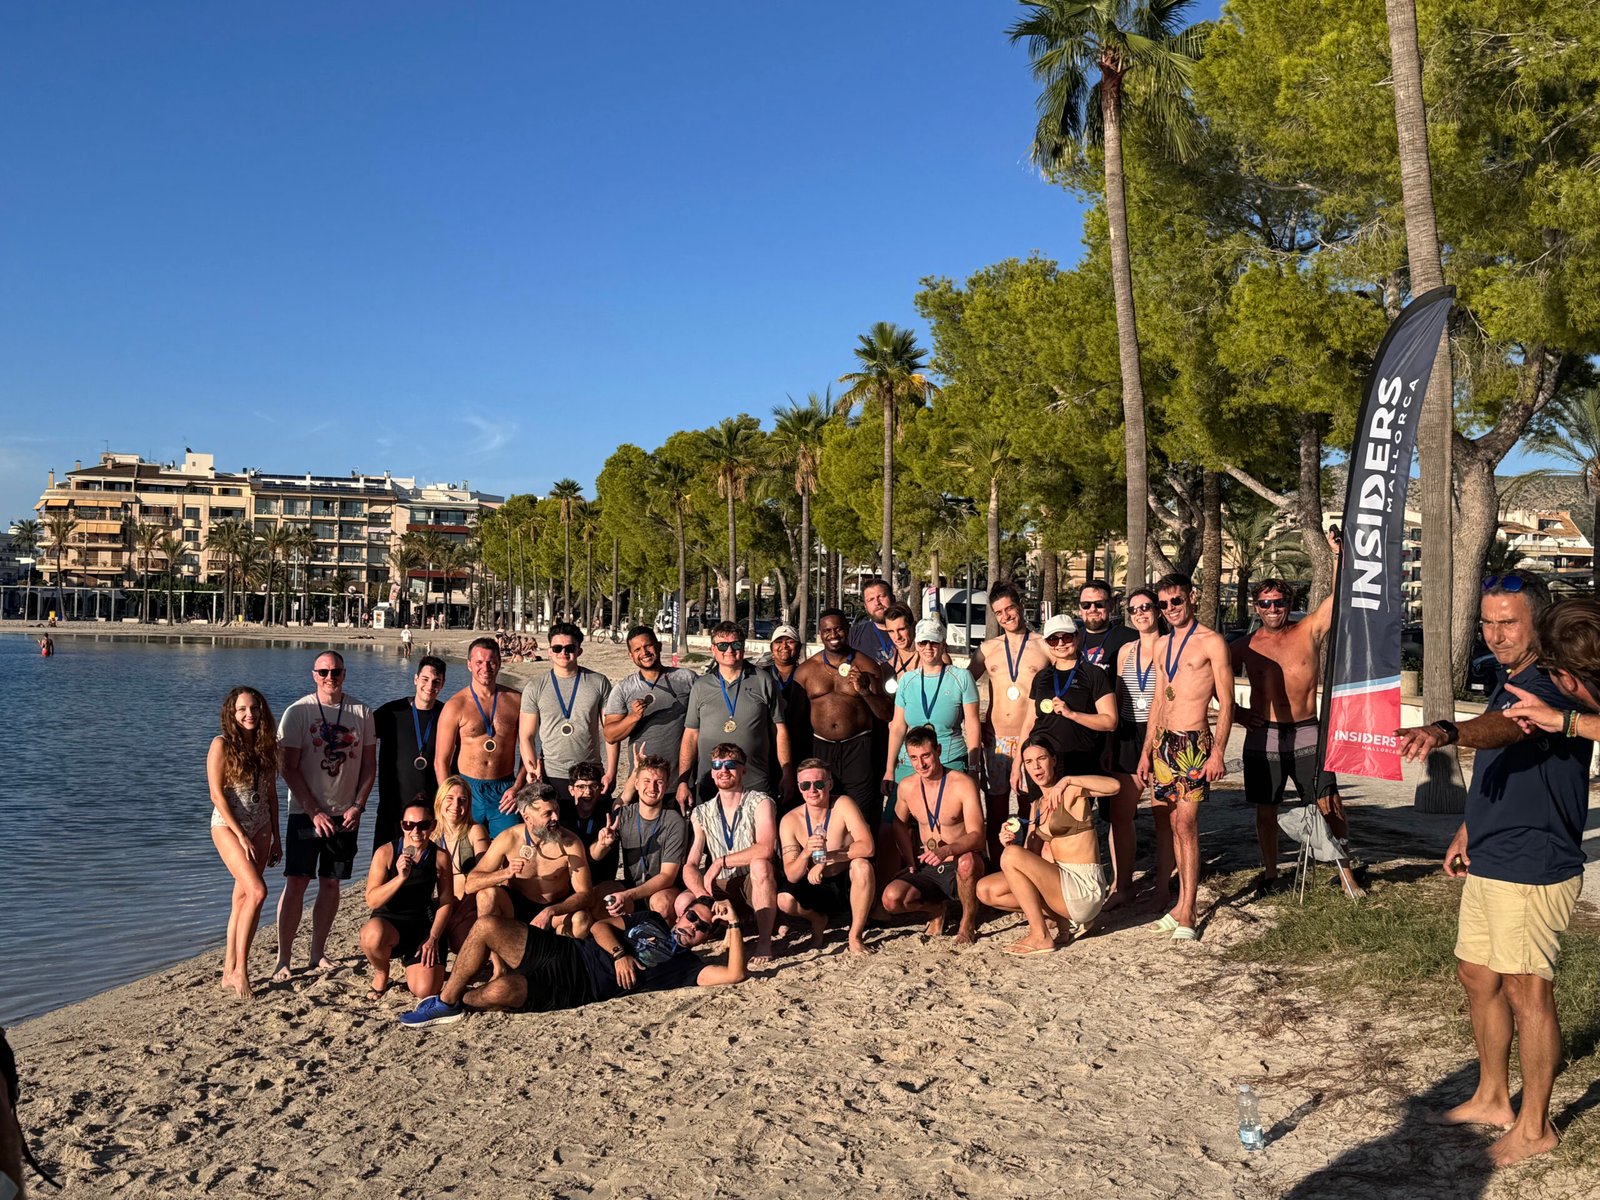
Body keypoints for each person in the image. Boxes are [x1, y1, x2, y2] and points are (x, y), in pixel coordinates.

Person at [1397, 573, 1590, 1167]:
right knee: (1477, 974)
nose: (1496, 633)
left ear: (1538, 621)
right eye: (1488, 622)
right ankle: (1490, 1096)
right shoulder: (1511, 679)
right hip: (1493, 851)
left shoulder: (1557, 681)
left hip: (1534, 862)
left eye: (1508, 621)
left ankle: (1535, 1126)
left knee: (1527, 990)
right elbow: (1505, 763)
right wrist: (1468, 828)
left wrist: (1446, 730)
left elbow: (1510, 729)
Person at [397, 895, 747, 1027]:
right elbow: (599, 926)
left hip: (577, 988)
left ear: (707, 936)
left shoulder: (686, 966)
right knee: (488, 925)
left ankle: (461, 1002)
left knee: (502, 989)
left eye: (702, 926)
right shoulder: (651, 919)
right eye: (691, 916)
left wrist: (732, 922)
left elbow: (735, 974)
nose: (693, 926)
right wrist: (620, 953)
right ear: (681, 914)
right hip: (567, 953)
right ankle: (444, 1002)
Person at [1230, 559, 1354, 896]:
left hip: (1306, 730)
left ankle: (1347, 874)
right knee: (1266, 809)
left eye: (1279, 602)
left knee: (1329, 802)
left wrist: (1336, 555)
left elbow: (1339, 594)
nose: (1273, 609)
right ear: (1256, 607)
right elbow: (1209, 675)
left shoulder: (1308, 630)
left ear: (1289, 605)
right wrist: (1236, 713)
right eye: (1265, 603)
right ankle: (1271, 873)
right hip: (1263, 734)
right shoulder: (1246, 645)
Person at [1137, 573, 1233, 942]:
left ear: (1191, 597)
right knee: (1173, 823)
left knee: (1187, 825)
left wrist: (1218, 751)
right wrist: (1147, 751)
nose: (1170, 609)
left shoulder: (1212, 642)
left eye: (1176, 601)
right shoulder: (1161, 645)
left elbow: (1227, 703)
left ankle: (1190, 910)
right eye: (1163, 604)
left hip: (1194, 743)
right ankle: (1179, 904)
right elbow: (1160, 699)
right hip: (1163, 743)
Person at [274, 651, 377, 982]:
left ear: (344, 674)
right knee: (297, 882)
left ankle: (318, 952)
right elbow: (287, 768)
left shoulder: (361, 712)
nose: (330, 677)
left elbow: (369, 766)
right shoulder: (297, 713)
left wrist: (358, 806)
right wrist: (313, 810)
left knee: (331, 883)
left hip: (344, 813)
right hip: (305, 813)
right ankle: (283, 958)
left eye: (335, 671)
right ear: (314, 675)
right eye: (324, 672)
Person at [997, 737, 1120, 956]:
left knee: (1011, 856)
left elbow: (1114, 787)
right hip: (1060, 883)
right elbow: (1029, 857)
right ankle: (1061, 920)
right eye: (1029, 762)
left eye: (1041, 759)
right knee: (987, 890)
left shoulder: (1070, 790)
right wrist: (1010, 841)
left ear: (1053, 760)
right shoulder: (1037, 805)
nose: (1036, 767)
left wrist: (1069, 780)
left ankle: (1041, 936)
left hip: (1083, 887)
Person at [967, 582, 1052, 863]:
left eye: (1009, 608)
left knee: (1031, 807)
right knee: (997, 809)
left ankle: (1029, 864)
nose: (1005, 616)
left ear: (1020, 605)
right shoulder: (987, 649)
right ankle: (995, 867)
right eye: (998, 612)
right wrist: (975, 730)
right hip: (997, 741)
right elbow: (963, 687)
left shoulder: (1044, 645)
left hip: (1031, 742)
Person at [206, 685, 282, 998]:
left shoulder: (267, 745)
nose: (249, 714)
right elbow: (216, 795)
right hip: (228, 826)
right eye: (242, 710)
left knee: (242, 899)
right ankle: (242, 970)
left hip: (262, 824)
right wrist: (240, 834)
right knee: (258, 892)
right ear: (232, 714)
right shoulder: (221, 745)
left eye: (254, 708)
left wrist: (277, 835)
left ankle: (228, 970)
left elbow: (272, 794)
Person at [880, 725, 986, 943]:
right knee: (891, 899)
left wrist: (947, 849)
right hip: (928, 865)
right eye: (914, 758)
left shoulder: (963, 784)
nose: (921, 764)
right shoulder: (907, 787)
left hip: (960, 861)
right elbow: (898, 824)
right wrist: (909, 859)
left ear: (938, 750)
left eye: (926, 755)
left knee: (967, 863)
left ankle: (967, 923)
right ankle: (936, 910)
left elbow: (977, 835)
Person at [681, 744, 781, 965]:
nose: (723, 770)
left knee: (761, 865)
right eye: (717, 765)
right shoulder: (701, 812)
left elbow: (765, 848)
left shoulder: (760, 802)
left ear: (743, 770)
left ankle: (764, 941)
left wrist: (720, 862)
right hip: (722, 887)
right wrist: (702, 895)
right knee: (682, 901)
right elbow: (690, 864)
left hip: (750, 881)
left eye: (730, 764)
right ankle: (689, 947)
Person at [677, 621, 794, 809]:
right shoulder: (701, 686)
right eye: (723, 645)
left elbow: (779, 730)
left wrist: (787, 773)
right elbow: (691, 735)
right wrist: (683, 780)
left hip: (755, 783)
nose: (729, 650)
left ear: (743, 646)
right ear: (713, 649)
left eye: (736, 644)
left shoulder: (764, 680)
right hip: (712, 781)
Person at [793, 609, 893, 824]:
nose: (833, 634)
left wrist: (865, 691)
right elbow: (797, 722)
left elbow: (886, 713)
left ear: (847, 630)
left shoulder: (867, 666)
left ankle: (865, 856)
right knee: (822, 809)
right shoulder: (806, 671)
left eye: (838, 628)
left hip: (858, 747)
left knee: (862, 811)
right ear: (820, 634)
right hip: (821, 747)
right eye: (827, 630)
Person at [777, 758, 877, 955]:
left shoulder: (843, 804)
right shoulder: (790, 820)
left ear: (829, 784)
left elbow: (868, 847)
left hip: (844, 880)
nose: (812, 790)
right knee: (784, 900)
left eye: (819, 784)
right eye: (806, 785)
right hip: (815, 883)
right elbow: (791, 875)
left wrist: (825, 859)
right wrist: (806, 853)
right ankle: (817, 919)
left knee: (862, 866)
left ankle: (855, 935)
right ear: (799, 787)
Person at [466, 785, 594, 937]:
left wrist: (551, 911)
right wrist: (505, 873)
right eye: (548, 814)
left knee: (582, 919)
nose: (556, 818)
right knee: (486, 895)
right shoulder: (509, 839)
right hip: (516, 908)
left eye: (557, 810)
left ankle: (562, 952)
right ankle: (498, 960)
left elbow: (586, 894)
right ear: (527, 818)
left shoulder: (571, 843)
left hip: (555, 910)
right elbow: (471, 884)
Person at [1009, 614, 1117, 792]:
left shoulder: (1094, 674)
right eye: (1053, 639)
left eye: (1066, 637)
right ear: (1046, 643)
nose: (1060, 644)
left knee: (1075, 817)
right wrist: (1017, 764)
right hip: (1043, 760)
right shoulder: (1042, 677)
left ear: (1077, 637)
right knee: (1041, 815)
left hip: (1079, 759)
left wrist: (1072, 714)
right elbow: (1029, 723)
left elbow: (1110, 722)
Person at [359, 801, 454, 1001]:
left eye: (423, 825)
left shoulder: (440, 856)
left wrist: (433, 938)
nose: (415, 831)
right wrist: (400, 877)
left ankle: (425, 968)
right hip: (389, 922)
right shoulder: (386, 852)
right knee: (370, 936)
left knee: (424, 991)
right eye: (409, 825)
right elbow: (372, 901)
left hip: (422, 925)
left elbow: (446, 901)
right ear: (402, 825)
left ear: (433, 826)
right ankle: (382, 972)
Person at [1108, 586, 1164, 909]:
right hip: (1128, 732)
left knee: (1162, 815)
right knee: (1120, 815)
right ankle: (1124, 884)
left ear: (1157, 610)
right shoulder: (1126, 651)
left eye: (1146, 607)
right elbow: (1118, 699)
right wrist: (1111, 743)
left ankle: (1162, 884)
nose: (1141, 613)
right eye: (1134, 609)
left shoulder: (1169, 647)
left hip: (1159, 732)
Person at [519, 621, 618, 803]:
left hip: (590, 775)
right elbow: (526, 736)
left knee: (594, 830)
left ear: (579, 650)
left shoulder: (599, 682)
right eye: (557, 648)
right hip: (551, 775)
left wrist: (611, 771)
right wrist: (532, 770)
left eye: (569, 647)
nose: (563, 653)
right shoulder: (535, 687)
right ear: (549, 651)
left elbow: (611, 732)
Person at [883, 619, 981, 789]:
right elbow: (898, 726)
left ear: (943, 644)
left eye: (934, 642)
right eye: (923, 642)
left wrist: (973, 766)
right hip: (911, 761)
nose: (928, 647)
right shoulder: (907, 680)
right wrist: (889, 770)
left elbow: (972, 724)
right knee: (896, 813)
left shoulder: (962, 677)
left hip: (950, 759)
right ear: (916, 645)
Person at [591, 755, 689, 923]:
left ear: (666, 786)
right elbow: (595, 856)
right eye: (646, 781)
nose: (652, 787)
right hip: (631, 885)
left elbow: (667, 876)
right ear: (636, 784)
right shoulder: (623, 815)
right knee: (601, 894)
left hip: (662, 888)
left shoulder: (674, 821)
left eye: (658, 782)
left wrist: (628, 895)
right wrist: (601, 845)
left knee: (661, 904)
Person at [602, 625, 696, 795]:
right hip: (643, 785)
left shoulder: (686, 679)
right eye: (637, 649)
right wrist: (633, 717)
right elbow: (610, 735)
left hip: (681, 784)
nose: (644, 652)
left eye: (648, 646)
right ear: (631, 656)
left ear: (659, 646)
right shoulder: (624, 689)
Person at [371, 655, 447, 849]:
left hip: (431, 810)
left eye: (436, 681)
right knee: (384, 867)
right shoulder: (391, 713)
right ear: (415, 679)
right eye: (425, 679)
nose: (430, 686)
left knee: (426, 868)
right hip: (392, 805)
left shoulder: (447, 714)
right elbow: (358, 738)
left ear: (443, 684)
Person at [433, 775, 490, 952]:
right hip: (441, 904)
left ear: (468, 805)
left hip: (469, 903)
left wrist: (458, 916)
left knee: (460, 945)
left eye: (462, 800)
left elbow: (484, 878)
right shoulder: (431, 836)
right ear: (440, 801)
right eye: (450, 799)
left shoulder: (475, 831)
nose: (455, 806)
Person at [562, 762, 618, 883]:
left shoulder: (607, 811)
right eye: (581, 787)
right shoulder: (561, 812)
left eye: (593, 786)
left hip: (600, 880)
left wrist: (637, 770)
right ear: (571, 790)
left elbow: (626, 797)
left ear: (601, 789)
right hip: (569, 879)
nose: (587, 792)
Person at [765, 624, 811, 766]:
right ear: (772, 647)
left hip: (802, 745)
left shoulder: (808, 674)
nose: (784, 646)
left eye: (790, 642)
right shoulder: (761, 675)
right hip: (768, 747)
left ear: (799, 647)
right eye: (779, 642)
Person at [1075, 578, 1137, 670]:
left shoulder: (1132, 639)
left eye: (1099, 604)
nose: (1092, 609)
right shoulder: (1069, 641)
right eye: (1086, 605)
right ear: (1080, 608)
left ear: (1111, 605)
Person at [849, 577, 898, 665]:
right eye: (871, 600)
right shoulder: (854, 635)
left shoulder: (912, 632)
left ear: (893, 599)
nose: (877, 603)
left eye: (882, 596)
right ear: (865, 606)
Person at [881, 601, 919, 690]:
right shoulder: (888, 666)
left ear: (913, 626)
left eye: (901, 629)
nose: (897, 637)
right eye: (891, 631)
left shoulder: (932, 659)